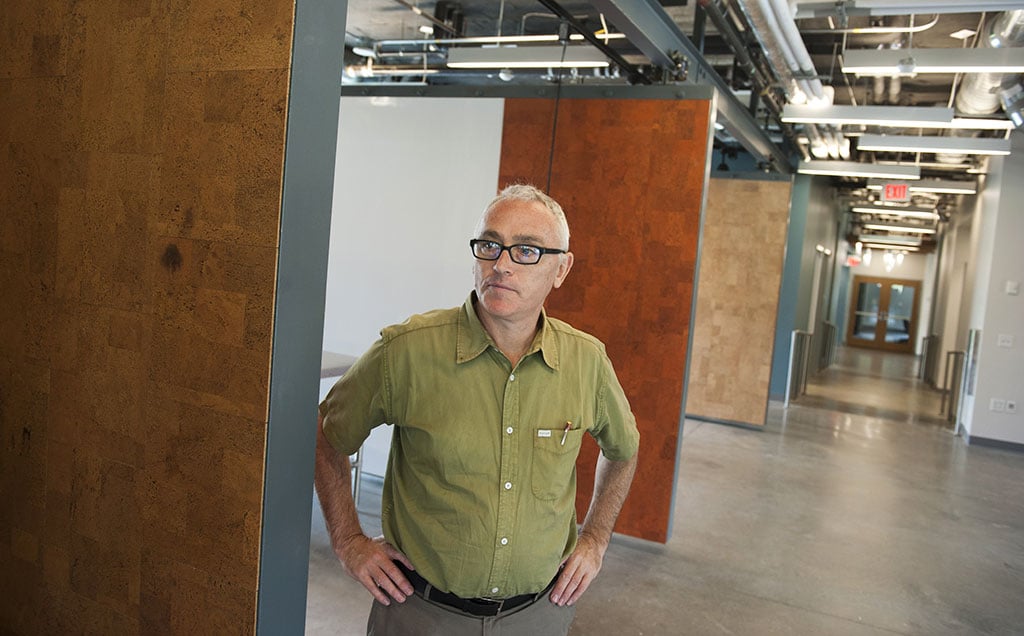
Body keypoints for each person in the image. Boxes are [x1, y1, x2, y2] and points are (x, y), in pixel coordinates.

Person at [315, 184, 640, 635]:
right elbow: (326, 433)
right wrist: (349, 541)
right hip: (419, 614)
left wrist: (596, 539)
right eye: (490, 245)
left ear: (561, 268)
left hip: (539, 616)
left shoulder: (587, 363)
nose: (501, 264)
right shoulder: (405, 352)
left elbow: (623, 450)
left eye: (526, 250)